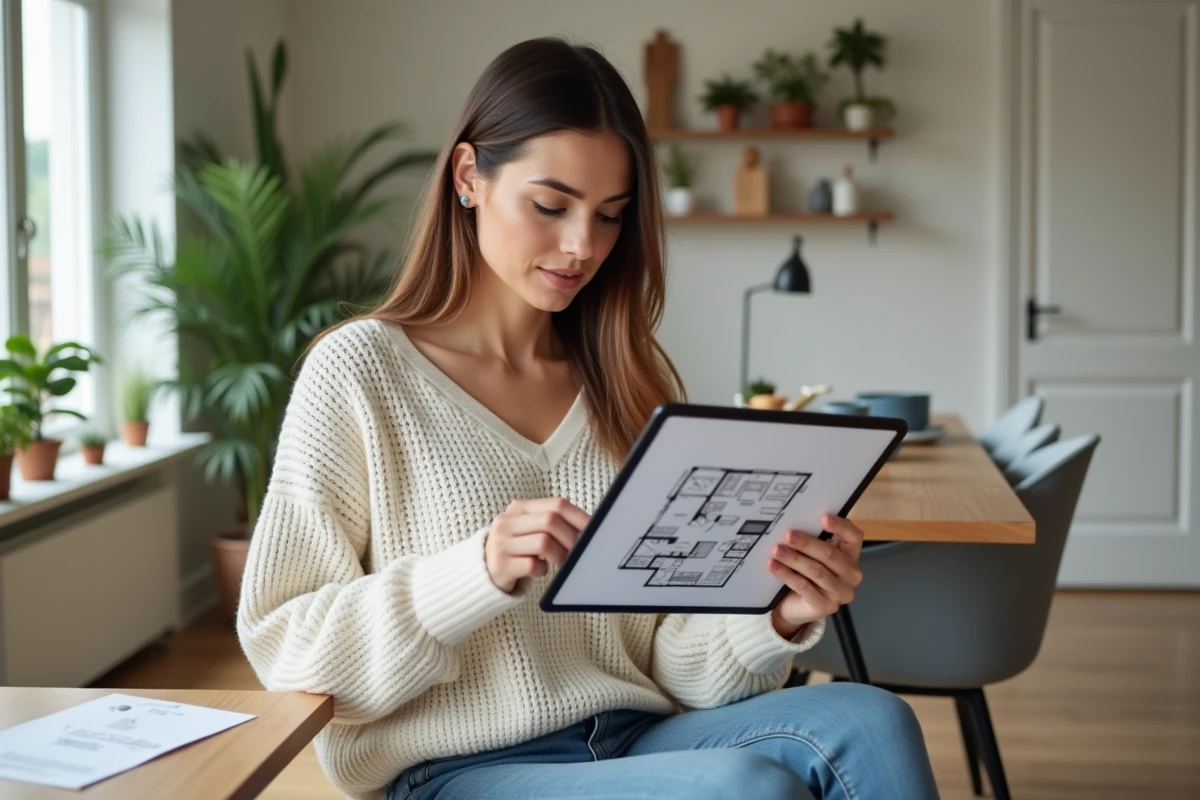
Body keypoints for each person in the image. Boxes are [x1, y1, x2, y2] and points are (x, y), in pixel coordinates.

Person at [237, 37, 939, 800]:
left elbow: (672, 660)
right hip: (458, 768)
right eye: (551, 205)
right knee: (740, 786)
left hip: (638, 734)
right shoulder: (360, 373)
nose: (583, 246)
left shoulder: (626, 382)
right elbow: (285, 648)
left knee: (873, 720)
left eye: (610, 216)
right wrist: (470, 574)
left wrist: (777, 617)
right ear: (470, 177)